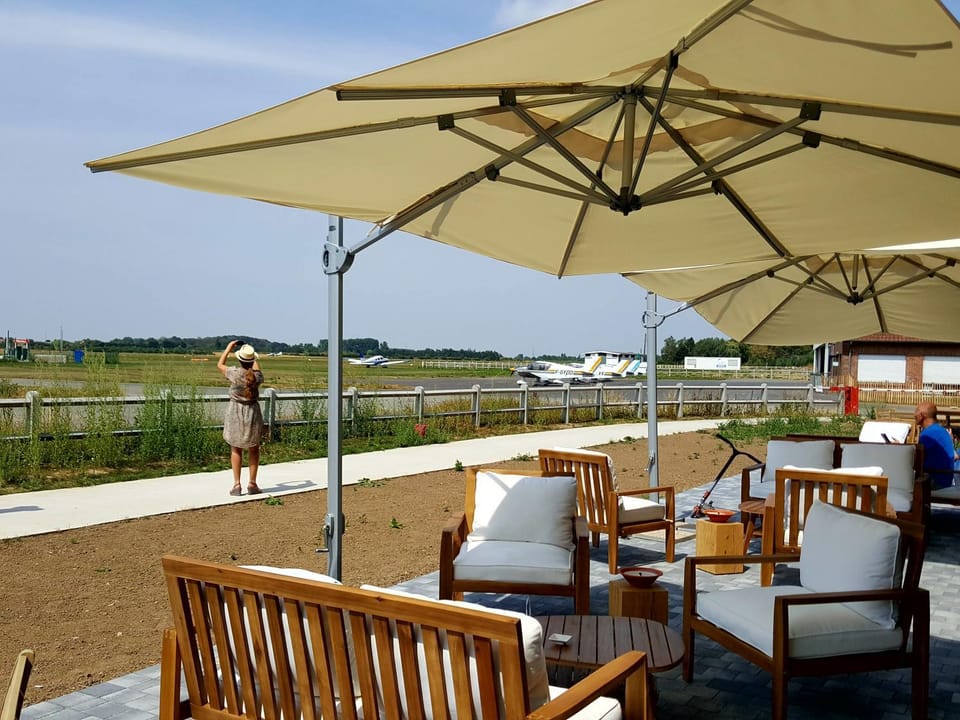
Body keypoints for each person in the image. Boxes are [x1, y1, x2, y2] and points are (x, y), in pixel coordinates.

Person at [218, 340, 264, 496]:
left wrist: (229, 347)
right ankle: (252, 483)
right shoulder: (257, 377)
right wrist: (253, 356)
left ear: (239, 359)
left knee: (235, 448)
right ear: (252, 360)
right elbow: (256, 369)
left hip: (235, 412)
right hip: (253, 413)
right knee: (254, 448)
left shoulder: (235, 373)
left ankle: (237, 484)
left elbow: (220, 364)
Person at [914, 401, 955, 490]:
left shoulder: (927, 435)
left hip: (935, 482)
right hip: (946, 481)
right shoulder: (942, 431)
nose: (914, 415)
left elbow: (916, 461)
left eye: (916, 411)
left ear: (922, 415)